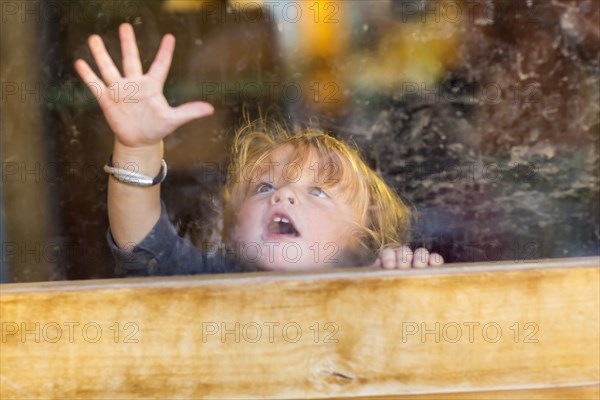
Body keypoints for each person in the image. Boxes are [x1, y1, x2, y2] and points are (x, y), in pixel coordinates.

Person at [74, 23, 443, 276]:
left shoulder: (373, 288)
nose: (283, 195)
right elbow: (142, 243)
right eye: (264, 187)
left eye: (317, 191)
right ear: (233, 231)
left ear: (363, 241)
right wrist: (137, 146)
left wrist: (402, 283)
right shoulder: (207, 282)